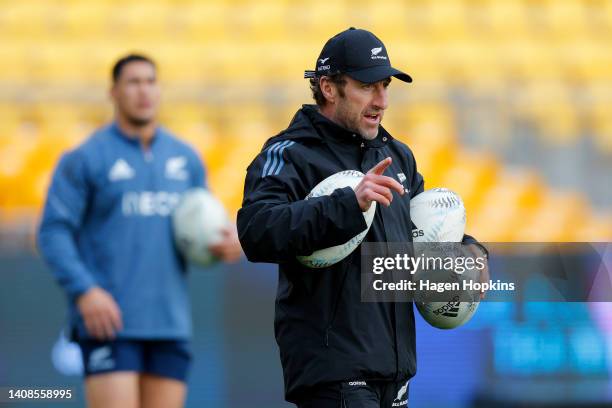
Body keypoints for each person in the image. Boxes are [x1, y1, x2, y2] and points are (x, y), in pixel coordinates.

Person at [237, 28, 488, 408]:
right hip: (335, 372)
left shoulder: (396, 155)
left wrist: (469, 251)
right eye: (368, 86)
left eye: (386, 85)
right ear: (328, 87)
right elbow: (256, 230)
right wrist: (347, 205)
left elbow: (421, 228)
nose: (382, 100)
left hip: (395, 371)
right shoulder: (290, 153)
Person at [38, 54, 242, 408]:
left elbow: (201, 228)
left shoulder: (186, 158)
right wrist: (85, 292)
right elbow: (53, 232)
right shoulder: (85, 158)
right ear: (113, 92)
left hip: (170, 324)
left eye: (150, 81)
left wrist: (224, 244)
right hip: (111, 323)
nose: (143, 91)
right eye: (133, 82)